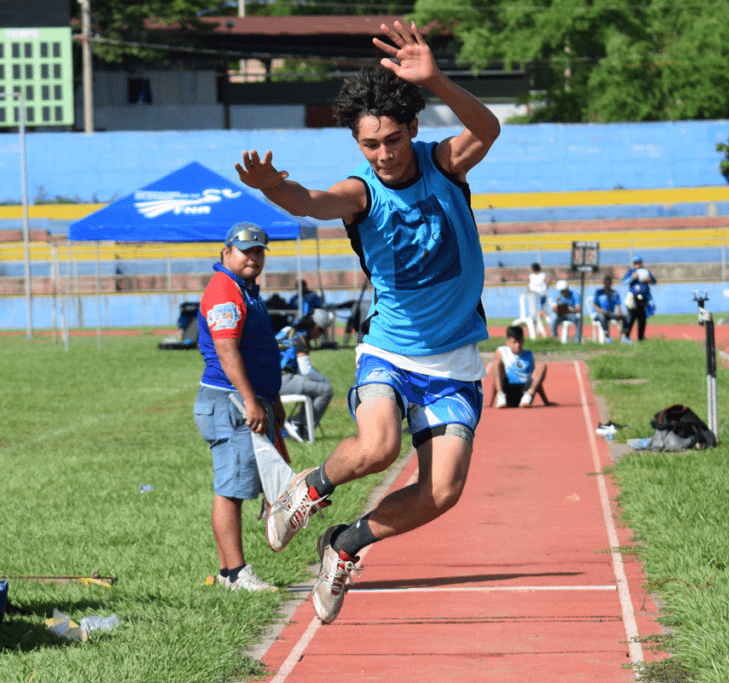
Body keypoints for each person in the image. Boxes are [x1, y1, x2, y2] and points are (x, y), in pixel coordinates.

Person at [235, 20, 500, 624]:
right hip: (391, 350)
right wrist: (274, 187)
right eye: (370, 144)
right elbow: (310, 203)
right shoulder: (361, 194)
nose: (384, 154)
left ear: (412, 128)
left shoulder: (445, 166)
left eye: (393, 140)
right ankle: (308, 489)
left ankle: (346, 543)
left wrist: (436, 80)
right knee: (379, 447)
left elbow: (487, 129)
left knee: (443, 491)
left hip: (454, 359)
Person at [194, 222, 290, 592]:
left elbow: (258, 351)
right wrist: (252, 401)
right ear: (226, 252)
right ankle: (236, 573)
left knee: (235, 486)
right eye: (246, 250)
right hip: (229, 401)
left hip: (243, 398)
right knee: (231, 489)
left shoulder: (244, 289)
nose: (254, 257)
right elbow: (227, 351)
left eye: (259, 251)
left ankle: (227, 573)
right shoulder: (225, 290)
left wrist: (272, 400)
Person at [277, 308, 335, 442]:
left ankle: (297, 423)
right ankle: (299, 425)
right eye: (322, 331)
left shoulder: (287, 330)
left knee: (314, 386)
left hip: (267, 378)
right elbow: (306, 370)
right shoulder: (301, 337)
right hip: (281, 380)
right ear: (316, 327)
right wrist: (324, 379)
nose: (321, 335)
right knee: (326, 390)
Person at [490, 326, 550, 408]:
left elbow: (536, 381)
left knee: (541, 366)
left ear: (523, 341)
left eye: (520, 342)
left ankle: (527, 397)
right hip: (509, 390)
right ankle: (501, 396)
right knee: (497, 364)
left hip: (525, 392)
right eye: (514, 342)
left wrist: (546, 401)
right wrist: (490, 403)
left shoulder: (529, 354)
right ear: (507, 342)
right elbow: (496, 377)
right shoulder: (501, 351)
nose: (518, 345)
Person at [621, 256, 655, 342]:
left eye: (639, 262)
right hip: (633, 297)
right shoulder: (631, 271)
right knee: (631, 317)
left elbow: (654, 281)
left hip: (643, 298)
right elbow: (624, 281)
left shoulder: (646, 271)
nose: (637, 264)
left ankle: (641, 337)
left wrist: (649, 280)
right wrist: (632, 277)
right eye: (635, 263)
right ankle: (626, 337)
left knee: (642, 318)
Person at [591, 274, 624, 343]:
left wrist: (619, 313)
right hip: (598, 314)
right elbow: (595, 305)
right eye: (606, 282)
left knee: (625, 316)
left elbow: (618, 304)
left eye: (609, 282)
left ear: (611, 283)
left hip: (610, 314)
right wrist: (600, 311)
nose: (608, 284)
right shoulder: (598, 292)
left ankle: (624, 336)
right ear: (604, 283)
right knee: (602, 316)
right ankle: (607, 336)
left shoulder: (615, 293)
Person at [527, 263, 551, 335]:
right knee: (539, 311)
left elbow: (528, 284)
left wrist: (529, 290)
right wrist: (545, 287)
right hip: (543, 294)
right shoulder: (543, 275)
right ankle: (539, 329)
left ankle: (549, 320)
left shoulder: (531, 276)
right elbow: (549, 280)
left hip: (535, 295)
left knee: (539, 310)